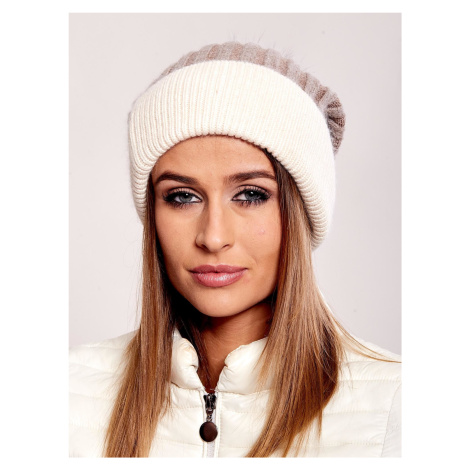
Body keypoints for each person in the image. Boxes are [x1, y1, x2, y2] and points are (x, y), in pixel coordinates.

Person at [69, 42, 401, 458]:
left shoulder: (396, 404)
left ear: (300, 212)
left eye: (250, 194)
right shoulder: (67, 391)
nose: (212, 237)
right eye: (182, 197)